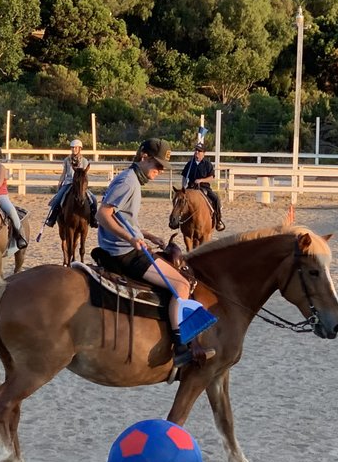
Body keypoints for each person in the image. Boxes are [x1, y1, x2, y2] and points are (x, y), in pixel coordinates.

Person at [96, 138, 212, 368]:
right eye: (157, 165)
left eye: (163, 167)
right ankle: (180, 349)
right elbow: (103, 215)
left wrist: (146, 235)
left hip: (128, 245)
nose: (159, 171)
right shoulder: (128, 182)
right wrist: (131, 238)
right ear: (144, 157)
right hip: (124, 252)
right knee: (181, 285)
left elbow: (124, 218)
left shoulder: (131, 180)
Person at [44, 138, 98, 228]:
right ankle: (52, 219)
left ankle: (93, 219)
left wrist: (84, 185)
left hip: (80, 185)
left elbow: (84, 175)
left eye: (76, 148)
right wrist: (60, 182)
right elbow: (64, 172)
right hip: (69, 183)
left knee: (94, 200)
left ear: (80, 149)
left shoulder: (84, 161)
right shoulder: (67, 160)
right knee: (57, 199)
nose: (74, 150)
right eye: (72, 148)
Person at [181, 143, 224, 231]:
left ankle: (218, 220)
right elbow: (184, 177)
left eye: (199, 151)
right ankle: (177, 220)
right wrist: (183, 187)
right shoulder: (190, 164)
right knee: (180, 201)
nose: (197, 152)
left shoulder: (207, 164)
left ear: (204, 153)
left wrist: (201, 180)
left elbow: (211, 177)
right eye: (196, 150)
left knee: (216, 199)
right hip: (191, 188)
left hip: (204, 188)